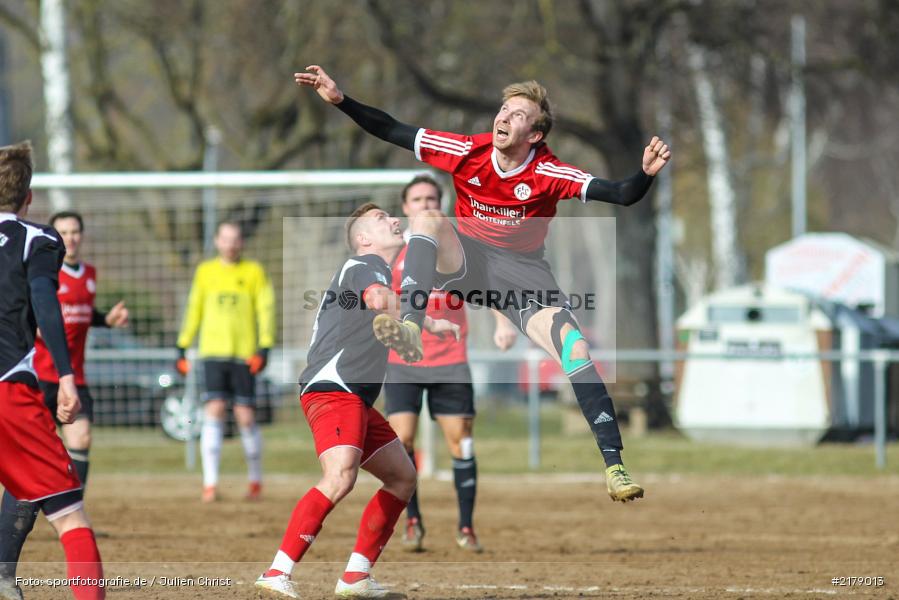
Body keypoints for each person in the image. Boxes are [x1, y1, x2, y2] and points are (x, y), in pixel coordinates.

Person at [296, 66, 672, 502]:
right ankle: (411, 327)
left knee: (576, 350)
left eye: (518, 115)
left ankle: (615, 467)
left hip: (523, 278)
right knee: (428, 218)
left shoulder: (550, 173)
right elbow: (392, 129)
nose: (505, 117)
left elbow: (622, 193)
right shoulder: (466, 151)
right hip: (466, 261)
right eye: (504, 109)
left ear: (534, 134)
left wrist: (644, 174)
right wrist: (342, 100)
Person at [255, 203, 459, 598]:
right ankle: (277, 572)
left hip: (355, 397)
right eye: (383, 219)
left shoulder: (377, 270)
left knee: (402, 477)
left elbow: (387, 301)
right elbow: (379, 299)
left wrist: (426, 323)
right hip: (333, 388)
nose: (395, 220)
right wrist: (418, 322)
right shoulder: (362, 264)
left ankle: (356, 576)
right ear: (363, 238)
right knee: (340, 475)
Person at [384, 174, 518, 553]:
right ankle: (413, 522)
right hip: (402, 362)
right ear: (406, 207)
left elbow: (488, 289)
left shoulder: (457, 248)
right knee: (402, 442)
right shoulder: (393, 249)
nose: (425, 205)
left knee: (462, 443)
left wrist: (503, 323)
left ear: (440, 205)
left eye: (431, 198)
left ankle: (466, 527)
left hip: (450, 363)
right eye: (417, 199)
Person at [0, 211, 127, 592]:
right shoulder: (34, 260)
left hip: (73, 376)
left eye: (76, 232)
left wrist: (107, 319)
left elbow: (81, 318)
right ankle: (56, 510)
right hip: (36, 377)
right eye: (65, 231)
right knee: (34, 473)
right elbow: (43, 309)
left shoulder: (87, 275)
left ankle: (59, 500)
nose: (70, 238)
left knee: (79, 441)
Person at [175, 221, 275, 502]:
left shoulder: (254, 271)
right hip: (212, 353)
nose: (230, 244)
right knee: (214, 409)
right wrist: (182, 345)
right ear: (217, 241)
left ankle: (255, 480)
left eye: (235, 239)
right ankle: (210, 484)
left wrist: (265, 345)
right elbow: (194, 308)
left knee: (245, 416)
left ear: (241, 242)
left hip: (244, 354)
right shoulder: (205, 272)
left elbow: (265, 309)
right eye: (225, 238)